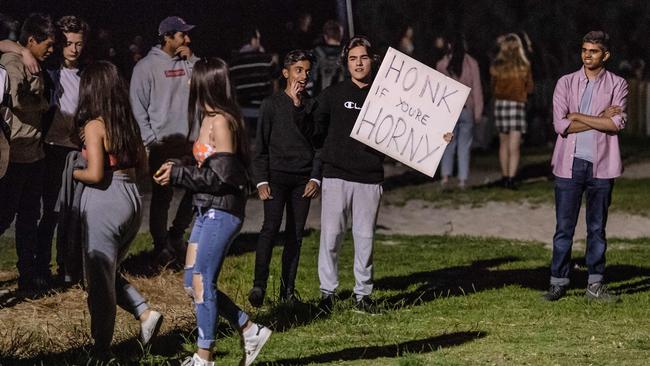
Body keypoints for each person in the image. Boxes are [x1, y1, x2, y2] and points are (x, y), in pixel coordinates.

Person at [314, 36, 452, 312]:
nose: (358, 63)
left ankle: (362, 296)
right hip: (336, 176)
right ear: (345, 63)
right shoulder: (332, 95)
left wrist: (439, 137)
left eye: (363, 57)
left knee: (364, 239)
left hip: (369, 177)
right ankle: (327, 294)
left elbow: (415, 123)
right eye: (353, 58)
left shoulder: (387, 96)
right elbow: (315, 133)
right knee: (331, 237)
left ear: (372, 60)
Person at [154, 57, 271, 366]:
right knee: (192, 281)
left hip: (224, 211)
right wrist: (178, 165)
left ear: (207, 82)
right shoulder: (207, 118)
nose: (189, 82)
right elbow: (204, 164)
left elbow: (224, 177)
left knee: (203, 282)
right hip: (207, 210)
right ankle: (249, 328)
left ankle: (204, 357)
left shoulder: (222, 122)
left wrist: (179, 176)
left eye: (194, 77)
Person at [73, 61, 163, 355]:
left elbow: (96, 174)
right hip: (131, 197)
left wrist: (71, 170)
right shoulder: (127, 123)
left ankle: (101, 349)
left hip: (105, 200)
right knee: (107, 272)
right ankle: (144, 313)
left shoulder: (95, 125)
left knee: (98, 281)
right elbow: (143, 166)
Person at [543, 31, 627, 302]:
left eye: (593, 50)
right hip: (568, 166)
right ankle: (558, 281)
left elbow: (616, 124)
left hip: (601, 166)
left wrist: (577, 116)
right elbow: (560, 126)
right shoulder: (565, 83)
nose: (587, 54)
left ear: (606, 55)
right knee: (563, 227)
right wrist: (598, 117)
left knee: (596, 228)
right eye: (584, 49)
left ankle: (595, 284)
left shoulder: (618, 84)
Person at [248, 50, 321, 308]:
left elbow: (317, 143)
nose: (303, 76)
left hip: (302, 179)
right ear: (286, 73)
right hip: (276, 179)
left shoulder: (312, 105)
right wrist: (261, 180)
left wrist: (315, 177)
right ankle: (259, 286)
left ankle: (287, 292)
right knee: (270, 228)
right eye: (298, 70)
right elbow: (260, 147)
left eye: (307, 72)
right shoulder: (271, 105)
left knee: (296, 234)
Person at [130, 16, 199, 262]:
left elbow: (205, 80)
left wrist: (190, 60)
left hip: (191, 142)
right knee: (162, 197)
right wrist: (151, 141)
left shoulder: (188, 62)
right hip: (162, 144)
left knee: (197, 189)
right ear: (168, 37)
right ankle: (160, 245)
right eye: (182, 35)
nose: (187, 39)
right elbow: (138, 108)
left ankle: (176, 235)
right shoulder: (145, 67)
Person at [0, 13, 55, 293]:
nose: (52, 49)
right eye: (48, 43)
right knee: (4, 218)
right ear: (31, 40)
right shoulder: (12, 61)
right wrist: (43, 103)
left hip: (35, 156)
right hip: (15, 157)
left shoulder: (35, 63)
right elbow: (17, 99)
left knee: (29, 219)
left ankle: (27, 275)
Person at [37, 15, 89, 286]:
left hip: (77, 149)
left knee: (74, 211)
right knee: (51, 211)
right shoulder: (48, 72)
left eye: (78, 43)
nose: (73, 49)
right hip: (52, 148)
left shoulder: (87, 74)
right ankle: (41, 267)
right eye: (68, 43)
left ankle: (67, 267)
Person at [436, 33, 483, 189]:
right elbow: (476, 88)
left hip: (449, 110)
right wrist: (478, 111)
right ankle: (462, 179)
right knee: (464, 146)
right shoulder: (472, 63)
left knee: (448, 144)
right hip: (466, 109)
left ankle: (445, 176)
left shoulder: (442, 65)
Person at [490, 33, 534, 189]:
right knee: (514, 146)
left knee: (503, 143)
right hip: (517, 105)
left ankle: (504, 176)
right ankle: (511, 179)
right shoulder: (524, 66)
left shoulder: (497, 66)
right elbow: (530, 88)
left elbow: (493, 88)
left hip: (501, 105)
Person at [229, 27, 278, 136]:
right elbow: (275, 82)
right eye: (258, 39)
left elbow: (232, 89)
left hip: (242, 113)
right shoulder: (266, 59)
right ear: (253, 40)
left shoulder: (232, 63)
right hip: (263, 112)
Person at [311, 20, 345, 95]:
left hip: (319, 98)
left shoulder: (315, 53)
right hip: (341, 97)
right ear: (341, 35)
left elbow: (311, 78)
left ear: (325, 36)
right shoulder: (347, 54)